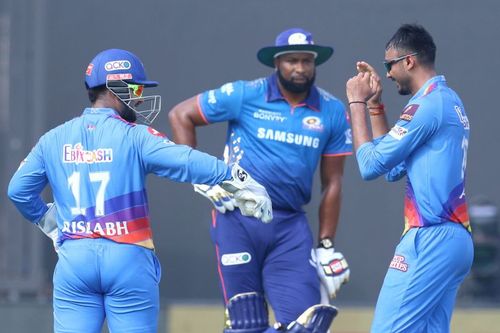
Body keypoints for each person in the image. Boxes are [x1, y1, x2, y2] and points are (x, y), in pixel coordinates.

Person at [7, 48, 272, 333]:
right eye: (135, 88)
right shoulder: (136, 137)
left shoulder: (53, 139)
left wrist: (49, 221)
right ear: (115, 88)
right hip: (127, 258)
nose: (140, 97)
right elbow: (186, 160)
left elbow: (18, 190)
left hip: (75, 259)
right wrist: (237, 177)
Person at [168, 28, 351, 332]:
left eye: (307, 61)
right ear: (277, 63)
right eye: (292, 60)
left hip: (289, 228)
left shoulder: (331, 110)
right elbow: (181, 115)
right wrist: (203, 178)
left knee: (306, 326)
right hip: (238, 219)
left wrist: (326, 245)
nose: (300, 68)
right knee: (246, 324)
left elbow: (333, 183)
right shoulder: (246, 94)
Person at [346, 24, 473, 333]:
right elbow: (393, 169)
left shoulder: (427, 106)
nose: (387, 74)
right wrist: (376, 106)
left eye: (389, 64)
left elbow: (370, 165)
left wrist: (356, 102)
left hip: (431, 237)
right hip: (454, 240)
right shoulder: (448, 100)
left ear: (409, 61)